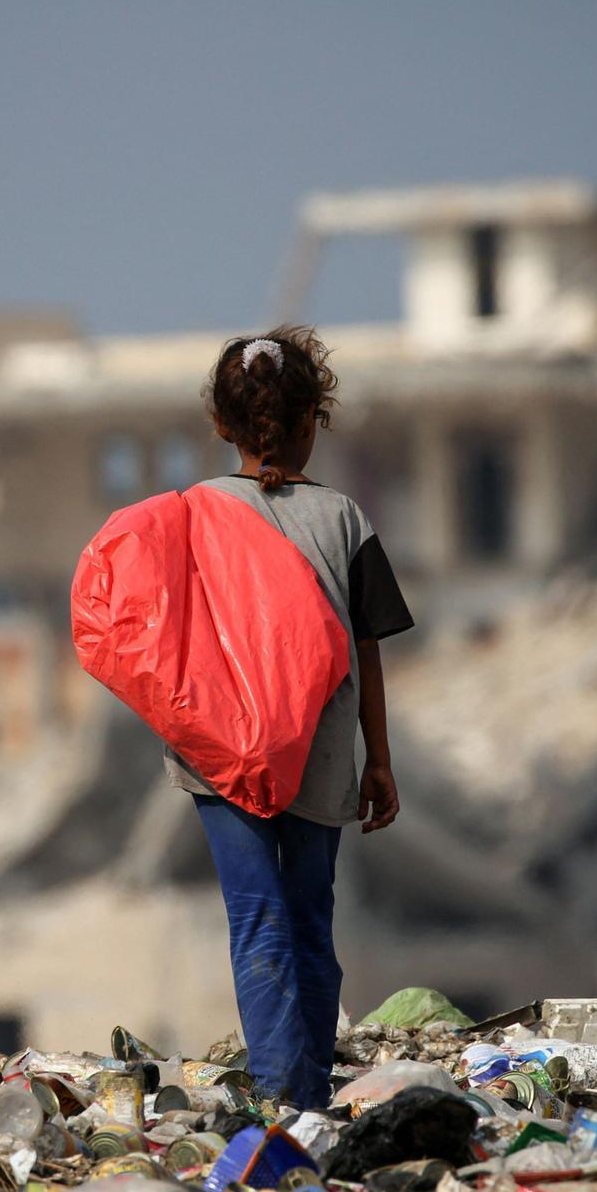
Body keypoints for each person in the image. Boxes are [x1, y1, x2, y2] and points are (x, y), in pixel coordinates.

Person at [164, 325, 415, 1110]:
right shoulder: (345, 519)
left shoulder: (197, 511)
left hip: (221, 747)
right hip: (319, 745)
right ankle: (305, 1095)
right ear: (313, 419)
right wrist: (380, 758)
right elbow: (366, 647)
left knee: (256, 918)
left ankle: (285, 1097)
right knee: (310, 918)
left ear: (222, 425)